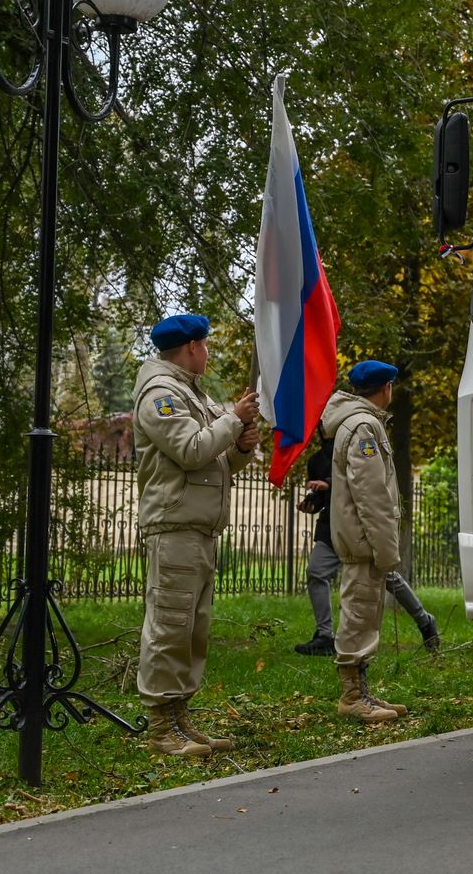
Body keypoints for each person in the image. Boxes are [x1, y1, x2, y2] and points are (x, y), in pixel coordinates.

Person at [132, 313, 259, 757]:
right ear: (190, 347)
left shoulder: (191, 394)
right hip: (175, 526)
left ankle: (181, 718)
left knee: (192, 629)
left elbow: (216, 462)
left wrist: (241, 445)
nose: (208, 352)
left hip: (199, 526)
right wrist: (232, 421)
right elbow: (189, 451)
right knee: (170, 626)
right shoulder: (160, 393)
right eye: (205, 345)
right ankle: (161, 729)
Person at [293, 424, 440, 657]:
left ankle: (425, 621)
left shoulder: (358, 446)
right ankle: (324, 636)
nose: (325, 428)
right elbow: (323, 500)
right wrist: (312, 504)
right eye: (322, 424)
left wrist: (329, 484)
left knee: (388, 576)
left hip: (360, 528)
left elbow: (364, 482)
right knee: (315, 572)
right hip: (330, 530)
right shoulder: (316, 461)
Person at [320, 360, 408, 722]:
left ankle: (363, 692)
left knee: (365, 612)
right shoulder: (364, 425)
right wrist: (386, 548)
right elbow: (371, 494)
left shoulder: (359, 422)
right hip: (363, 540)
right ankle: (352, 696)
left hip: (363, 539)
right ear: (386, 387)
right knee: (358, 613)